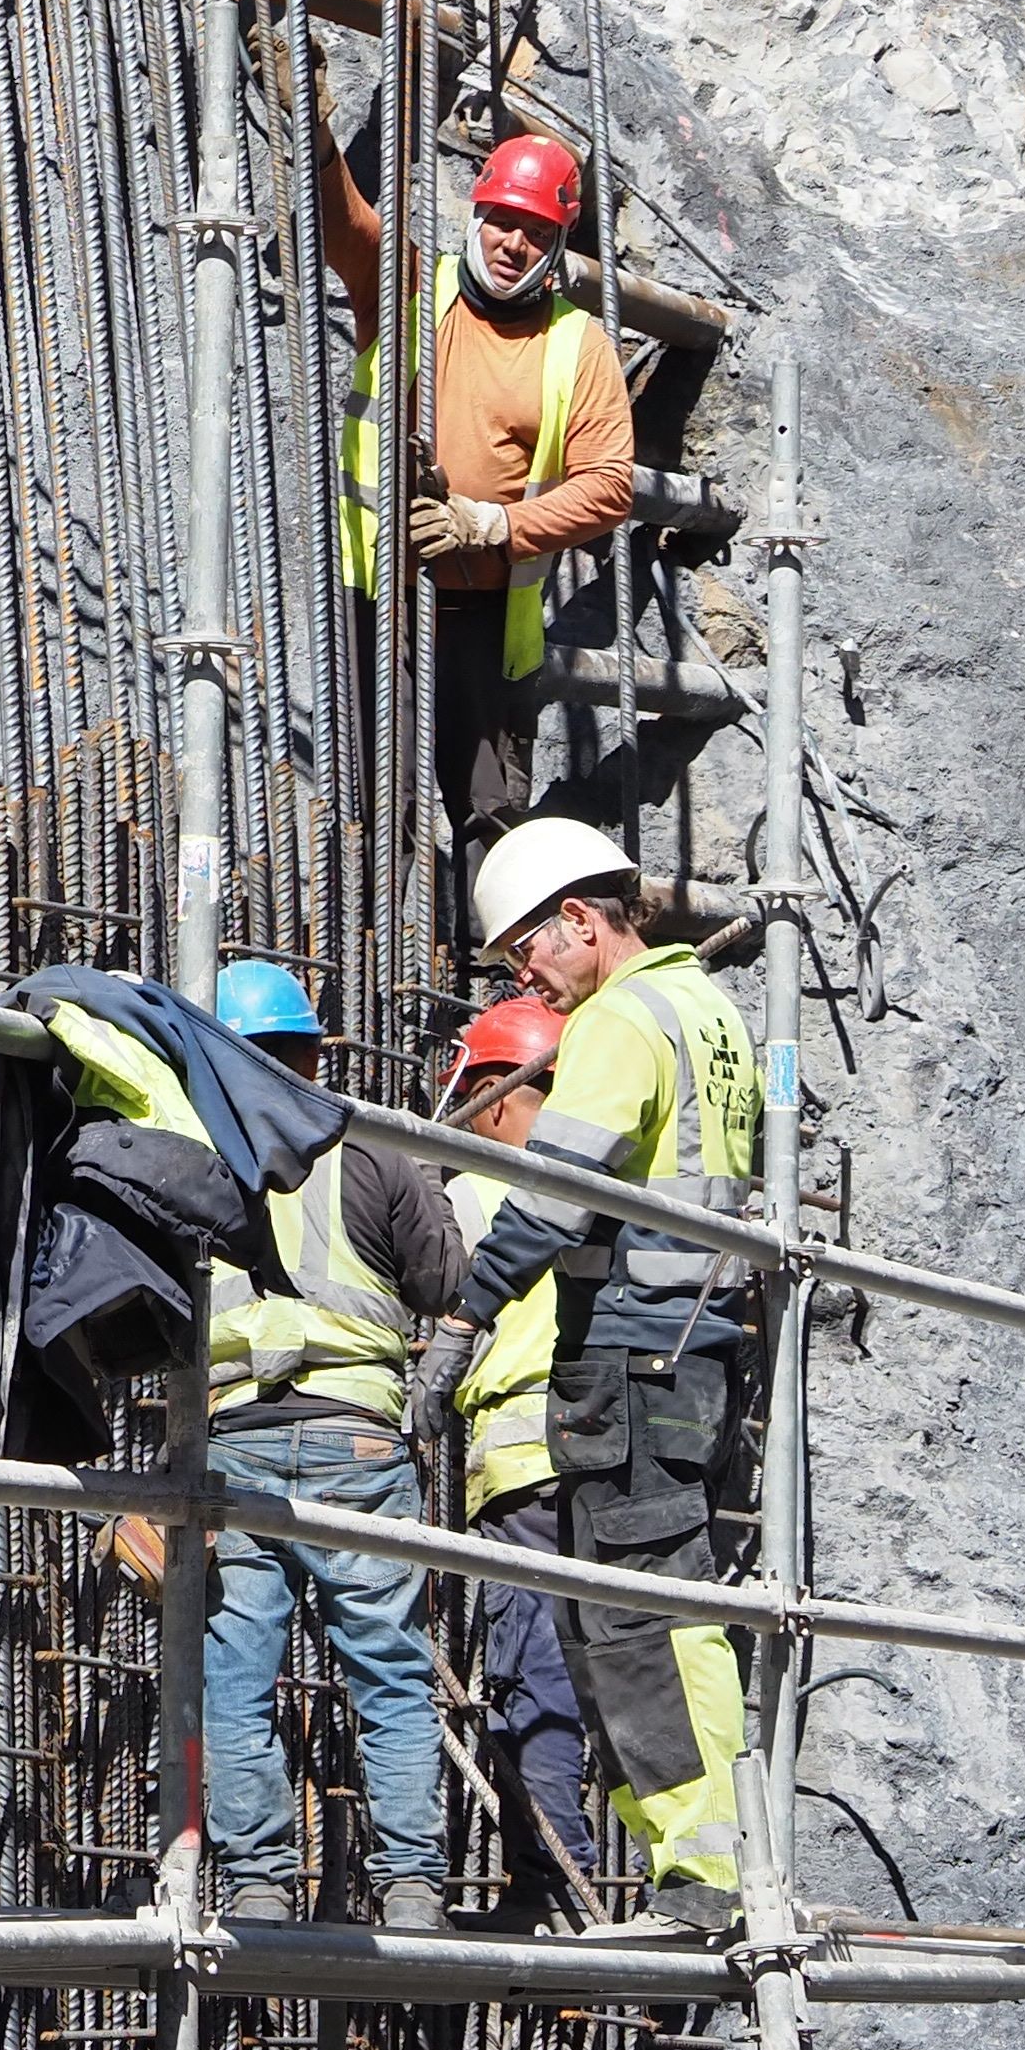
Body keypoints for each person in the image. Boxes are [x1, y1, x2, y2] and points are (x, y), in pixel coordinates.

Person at [403, 819, 757, 1931]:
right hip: (695, 1340)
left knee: (642, 1619)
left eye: (529, 952)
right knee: (661, 1608)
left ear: (582, 921)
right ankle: (703, 1863)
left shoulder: (617, 1022)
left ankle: (704, 1872)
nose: (527, 978)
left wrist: (466, 1309)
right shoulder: (711, 1011)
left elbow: (554, 1193)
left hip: (637, 1353)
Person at [195, 956, 465, 1935]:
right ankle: (412, 1891)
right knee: (390, 1674)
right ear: (314, 1053)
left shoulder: (187, 1152)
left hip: (233, 1441)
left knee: (236, 1676)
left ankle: (258, 1888)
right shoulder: (377, 1156)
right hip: (356, 1441)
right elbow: (445, 1283)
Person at [314, 88, 638, 865]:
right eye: (501, 220)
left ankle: (483, 968)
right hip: (379, 601)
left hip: (488, 625)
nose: (511, 244)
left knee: (493, 823)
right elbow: (343, 228)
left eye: (534, 232)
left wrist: (492, 524)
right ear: (475, 216)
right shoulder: (412, 289)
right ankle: (380, 953)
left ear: (558, 247)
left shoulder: (578, 345)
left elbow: (610, 486)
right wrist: (315, 130)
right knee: (370, 809)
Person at [428, 991, 599, 1905]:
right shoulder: (601, 1191)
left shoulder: (470, 1191)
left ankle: (551, 1893)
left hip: (526, 1463)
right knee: (620, 1662)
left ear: (495, 1096)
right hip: (613, 1456)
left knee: (533, 1675)